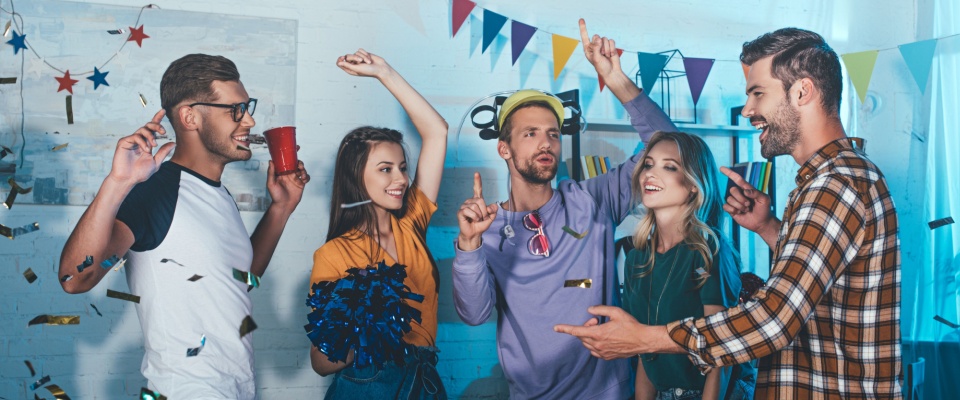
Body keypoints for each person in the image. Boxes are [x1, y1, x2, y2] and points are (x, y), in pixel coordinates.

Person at [555, 27, 902, 398]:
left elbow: (775, 320)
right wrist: (769, 228)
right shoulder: (825, 181)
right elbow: (824, 285)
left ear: (802, 91)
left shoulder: (836, 185)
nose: (750, 109)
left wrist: (646, 338)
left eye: (757, 93)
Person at [58, 54, 308, 399]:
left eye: (247, 107)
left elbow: (236, 283)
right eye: (235, 109)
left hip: (236, 389)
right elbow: (74, 279)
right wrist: (118, 182)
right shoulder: (155, 192)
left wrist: (281, 209)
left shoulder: (219, 195)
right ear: (190, 116)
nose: (249, 120)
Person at [451, 20, 677, 399]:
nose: (547, 143)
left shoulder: (593, 200)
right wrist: (469, 244)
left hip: (608, 391)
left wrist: (615, 78)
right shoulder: (484, 228)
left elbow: (670, 147)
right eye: (531, 133)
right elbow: (474, 315)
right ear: (504, 149)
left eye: (553, 133)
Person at [308, 49, 448, 399]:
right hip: (368, 384)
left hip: (424, 379)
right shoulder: (334, 254)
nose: (400, 178)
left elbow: (436, 131)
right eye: (385, 169)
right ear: (357, 176)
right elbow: (321, 362)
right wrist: (366, 324)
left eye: (402, 167)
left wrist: (383, 72)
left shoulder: (412, 222)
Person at [623, 131, 755, 400]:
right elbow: (645, 355)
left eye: (669, 166)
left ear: (694, 184)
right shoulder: (636, 258)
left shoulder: (710, 252)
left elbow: (722, 351)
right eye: (648, 164)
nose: (651, 173)